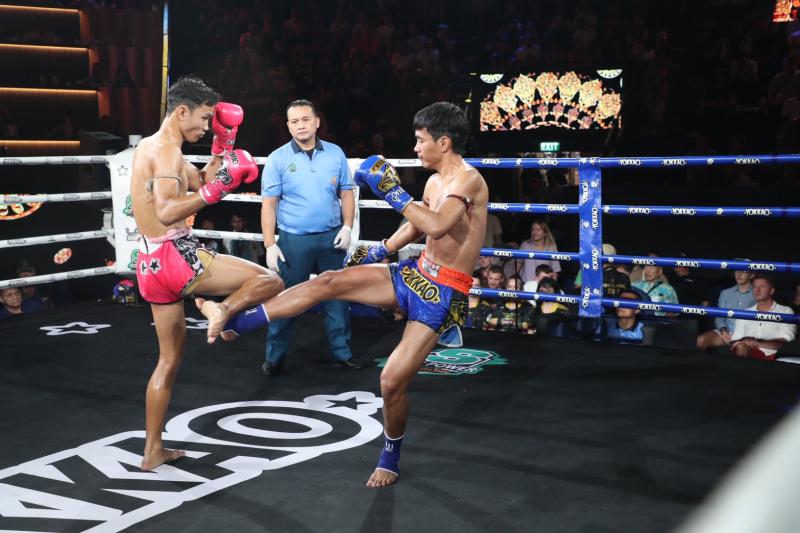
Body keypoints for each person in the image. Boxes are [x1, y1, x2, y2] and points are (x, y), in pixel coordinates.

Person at [198, 102, 488, 488]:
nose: (415, 148)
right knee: (329, 281)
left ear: (444, 142)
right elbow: (416, 226)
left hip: (444, 292)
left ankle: (390, 455)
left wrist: (391, 191)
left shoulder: (469, 181)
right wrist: (382, 249)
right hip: (416, 274)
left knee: (391, 381)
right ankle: (238, 322)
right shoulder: (435, 182)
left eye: (421, 141)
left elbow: (436, 225)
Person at [130, 76, 283, 471]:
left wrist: (223, 146)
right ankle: (222, 312)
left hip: (149, 263)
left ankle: (152, 451)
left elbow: (201, 181)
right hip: (176, 254)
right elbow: (168, 210)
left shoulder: (157, 148)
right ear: (181, 111)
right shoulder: (166, 151)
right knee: (270, 281)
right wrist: (217, 191)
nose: (206, 125)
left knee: (168, 360)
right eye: (204, 118)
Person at [259, 99, 359, 375]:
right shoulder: (278, 158)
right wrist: (269, 244)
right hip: (294, 241)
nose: (300, 126)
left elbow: (346, 193)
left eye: (305, 119)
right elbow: (269, 204)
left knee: (337, 298)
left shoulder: (335, 153)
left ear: (316, 122)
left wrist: (347, 227)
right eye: (294, 121)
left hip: (331, 238)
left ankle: (342, 354)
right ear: (288, 126)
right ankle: (274, 358)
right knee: (287, 299)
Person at [729, 275, 796, 361]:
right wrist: (744, 340)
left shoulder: (785, 311)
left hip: (774, 357)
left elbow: (786, 341)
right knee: (741, 346)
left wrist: (757, 343)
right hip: (748, 354)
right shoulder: (745, 313)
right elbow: (734, 341)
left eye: (762, 286)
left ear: (771, 291)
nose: (757, 290)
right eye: (755, 287)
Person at [696, 268, 755, 352]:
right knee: (700, 340)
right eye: (737, 270)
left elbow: (759, 320)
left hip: (746, 334)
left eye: (744, 271)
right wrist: (723, 332)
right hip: (726, 331)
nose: (739, 274)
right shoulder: (725, 293)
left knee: (741, 347)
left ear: (752, 275)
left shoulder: (757, 293)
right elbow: (719, 317)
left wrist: (746, 335)